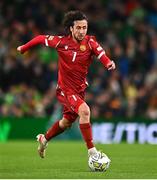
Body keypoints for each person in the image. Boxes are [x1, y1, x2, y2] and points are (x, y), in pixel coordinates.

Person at [17, 10, 116, 159]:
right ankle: (92, 152)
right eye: (78, 28)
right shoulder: (61, 42)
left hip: (80, 89)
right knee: (85, 111)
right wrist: (24, 48)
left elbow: (100, 53)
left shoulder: (90, 42)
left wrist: (108, 62)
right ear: (71, 28)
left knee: (66, 123)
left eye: (84, 27)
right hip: (65, 90)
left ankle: (44, 139)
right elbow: (40, 38)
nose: (82, 31)